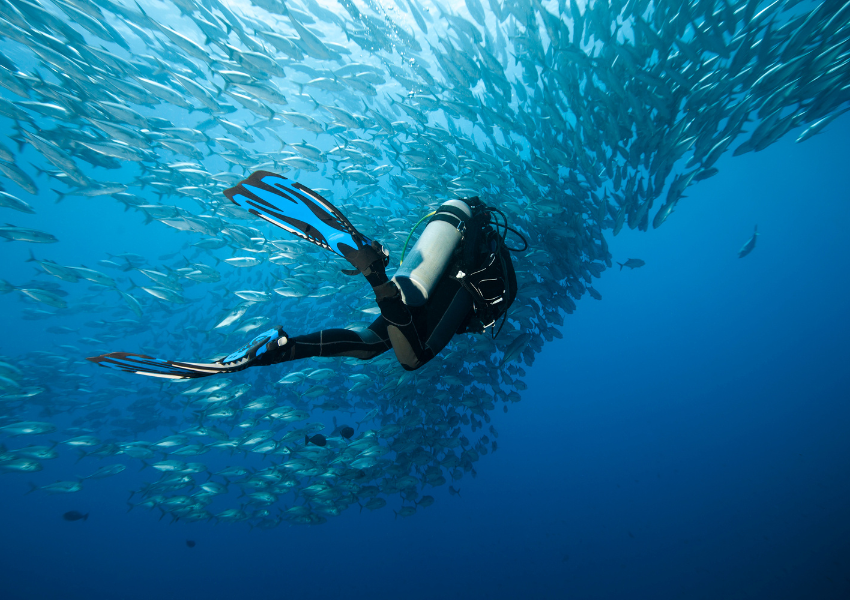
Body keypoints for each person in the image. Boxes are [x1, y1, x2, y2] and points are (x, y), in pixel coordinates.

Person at [88, 171, 525, 379]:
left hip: (430, 261)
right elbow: (474, 307)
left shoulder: (467, 227)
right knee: (413, 358)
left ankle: (283, 347)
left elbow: (423, 277)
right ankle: (374, 274)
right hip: (461, 281)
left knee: (375, 342)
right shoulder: (493, 270)